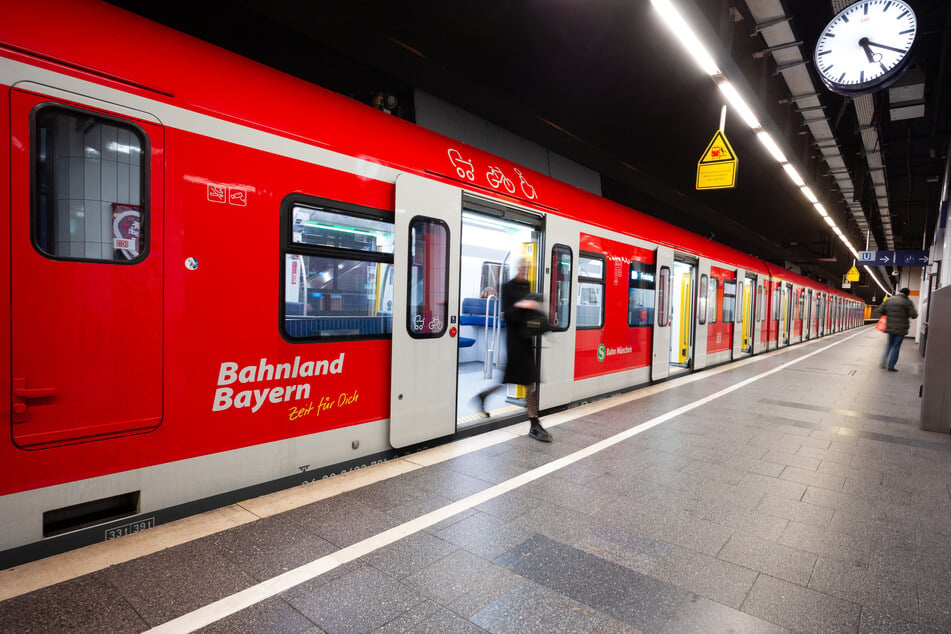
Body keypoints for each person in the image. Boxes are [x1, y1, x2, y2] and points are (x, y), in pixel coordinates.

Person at [475, 259, 552, 442]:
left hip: (526, 340)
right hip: (515, 342)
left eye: (527, 268)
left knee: (521, 381)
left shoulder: (526, 286)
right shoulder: (507, 287)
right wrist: (522, 305)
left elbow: (529, 315)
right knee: (526, 383)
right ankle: (534, 424)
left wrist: (534, 309)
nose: (525, 270)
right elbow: (508, 315)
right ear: (518, 268)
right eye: (523, 267)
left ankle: (483, 396)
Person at [873, 287, 918, 372]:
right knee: (896, 347)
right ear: (907, 294)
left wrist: (888, 313)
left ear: (899, 292)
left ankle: (883, 361)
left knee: (889, 344)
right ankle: (891, 366)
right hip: (901, 329)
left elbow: (880, 310)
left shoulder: (890, 300)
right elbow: (914, 315)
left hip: (890, 327)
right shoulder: (908, 302)